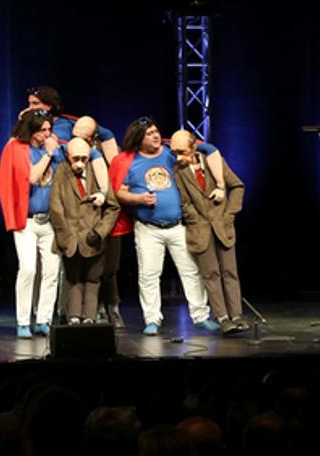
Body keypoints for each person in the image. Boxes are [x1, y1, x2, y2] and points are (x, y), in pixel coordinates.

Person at [110, 117, 224, 336]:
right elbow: (120, 191)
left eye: (155, 131)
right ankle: (152, 319)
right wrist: (138, 199)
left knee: (191, 271)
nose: (154, 136)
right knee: (149, 275)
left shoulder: (170, 153)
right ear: (138, 139)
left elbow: (208, 149)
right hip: (148, 228)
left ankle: (200, 316)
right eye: (149, 133)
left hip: (177, 226)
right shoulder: (129, 161)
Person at [171, 130, 248, 334]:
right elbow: (184, 202)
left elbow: (238, 186)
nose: (179, 157)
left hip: (222, 226)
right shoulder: (178, 171)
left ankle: (237, 315)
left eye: (182, 152)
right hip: (200, 230)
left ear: (193, 147)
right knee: (211, 274)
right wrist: (194, 218)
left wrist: (229, 214)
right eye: (175, 153)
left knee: (230, 272)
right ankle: (222, 317)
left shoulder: (214, 162)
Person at [0, 110, 63, 339]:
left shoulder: (55, 151)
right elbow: (32, 177)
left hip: (50, 222)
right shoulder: (17, 148)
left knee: (52, 271)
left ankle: (44, 319)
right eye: (42, 130)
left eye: (49, 130)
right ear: (31, 131)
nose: (47, 134)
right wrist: (48, 154)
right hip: (26, 221)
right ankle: (23, 320)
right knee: (28, 269)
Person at [49, 137, 120, 324]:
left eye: (84, 158)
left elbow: (113, 207)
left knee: (93, 278)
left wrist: (100, 232)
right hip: (71, 237)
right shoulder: (61, 173)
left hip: (93, 238)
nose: (80, 163)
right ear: (67, 156)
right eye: (75, 158)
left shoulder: (98, 174)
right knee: (73, 279)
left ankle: (89, 316)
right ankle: (73, 315)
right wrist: (64, 235)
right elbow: (55, 207)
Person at [25, 85, 118, 160]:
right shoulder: (25, 124)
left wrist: (115, 169)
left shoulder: (68, 122)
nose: (30, 107)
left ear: (48, 106)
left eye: (35, 103)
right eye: (29, 103)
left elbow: (107, 134)